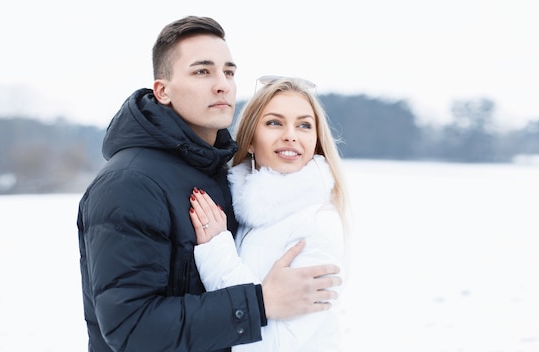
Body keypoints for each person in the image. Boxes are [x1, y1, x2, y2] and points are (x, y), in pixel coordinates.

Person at [77, 16, 341, 352]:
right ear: (163, 91)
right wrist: (259, 304)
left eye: (228, 72)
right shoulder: (130, 183)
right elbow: (130, 329)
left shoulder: (220, 174)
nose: (223, 85)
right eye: (202, 71)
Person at [188, 76, 351, 351]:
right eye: (275, 122)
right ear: (250, 140)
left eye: (304, 125)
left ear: (316, 142)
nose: (291, 135)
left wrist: (217, 251)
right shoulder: (244, 211)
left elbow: (273, 344)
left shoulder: (318, 223)